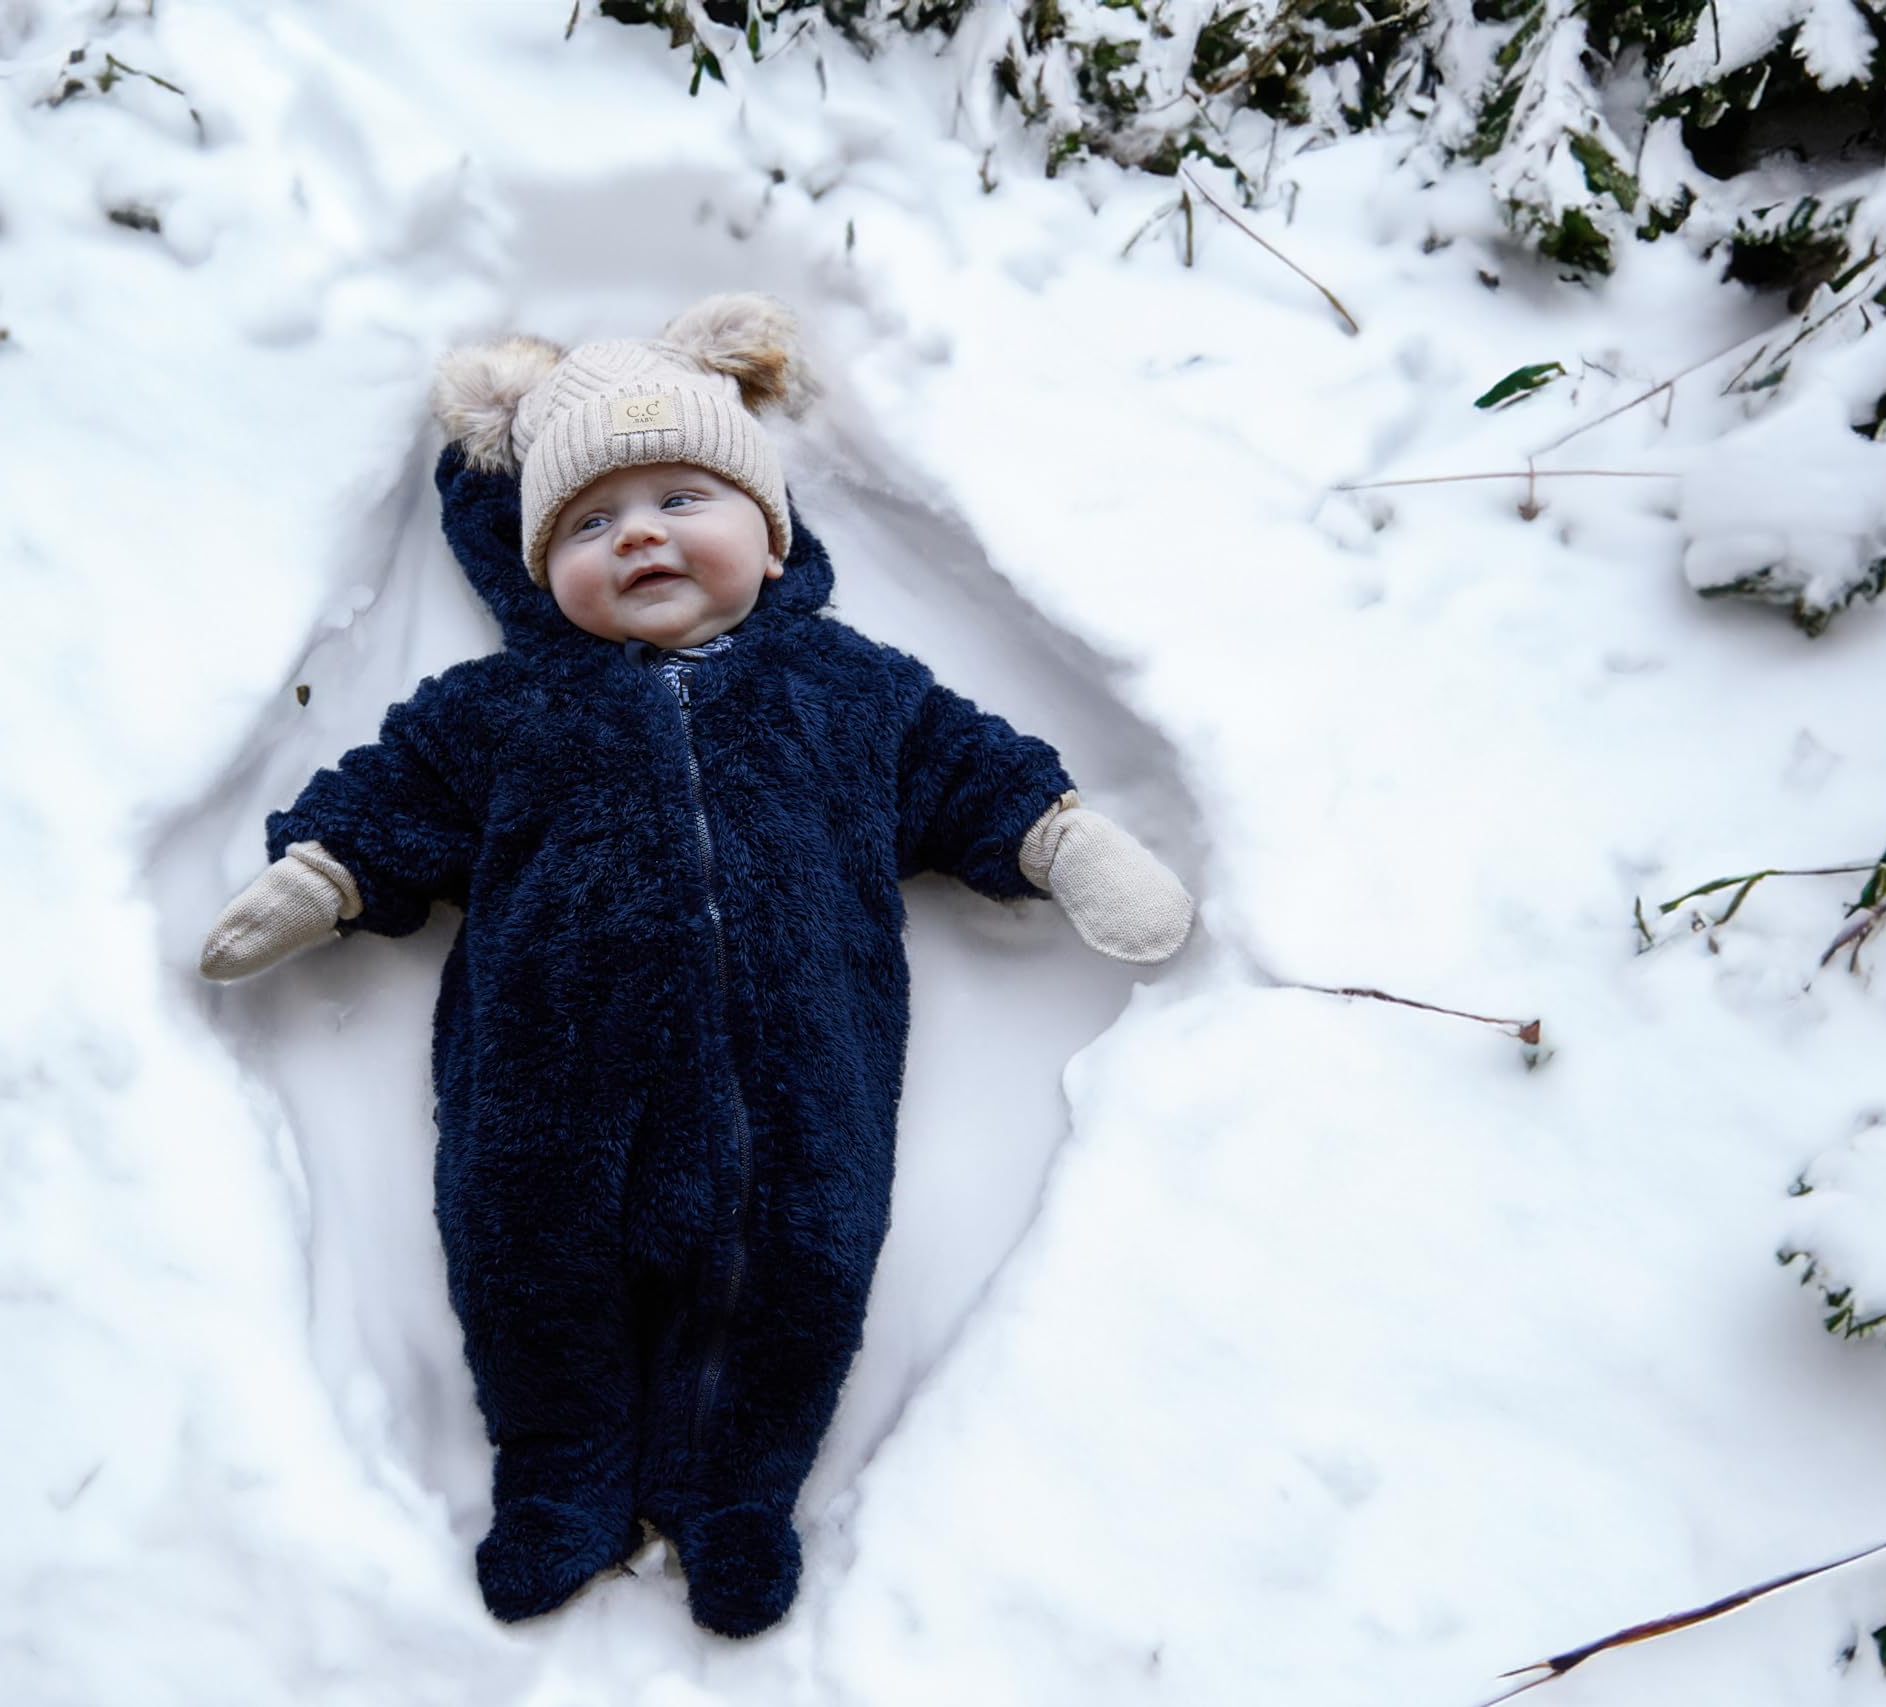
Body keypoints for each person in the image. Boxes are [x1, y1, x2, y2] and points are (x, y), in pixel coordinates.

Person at [199, 293, 1192, 1637]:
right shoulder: (508, 707)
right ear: (541, 568)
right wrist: (322, 873)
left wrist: (1062, 840)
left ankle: (739, 1496)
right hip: (548, 1087)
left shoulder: (851, 689)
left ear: (771, 537)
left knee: (802, 1265)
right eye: (593, 525)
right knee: (527, 1264)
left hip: (800, 1083)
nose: (643, 534)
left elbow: (965, 771)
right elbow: (402, 791)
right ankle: (561, 1483)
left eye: (682, 497)